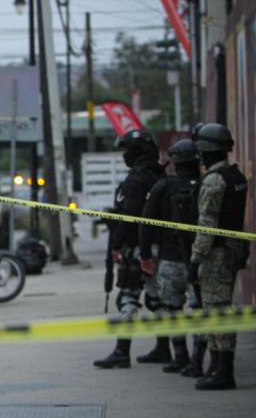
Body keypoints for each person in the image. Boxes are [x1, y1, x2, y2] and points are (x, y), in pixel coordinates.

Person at [94, 130, 166, 369]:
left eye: (127, 150)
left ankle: (121, 351)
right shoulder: (159, 175)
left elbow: (129, 218)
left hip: (136, 248)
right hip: (158, 247)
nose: (125, 155)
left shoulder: (135, 181)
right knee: (157, 298)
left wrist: (116, 245)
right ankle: (164, 347)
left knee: (128, 297)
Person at [188, 123, 248, 391]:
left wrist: (195, 258)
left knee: (217, 310)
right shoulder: (236, 176)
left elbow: (207, 224)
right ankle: (216, 366)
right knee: (215, 307)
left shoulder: (214, 180)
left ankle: (224, 371)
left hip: (216, 253)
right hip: (232, 249)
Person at [138, 139, 205, 374]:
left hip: (170, 260)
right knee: (199, 310)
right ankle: (198, 360)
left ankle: (180, 357)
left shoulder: (163, 187)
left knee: (171, 309)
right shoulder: (206, 185)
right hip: (202, 260)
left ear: (174, 162)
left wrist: (145, 255)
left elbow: (145, 223)